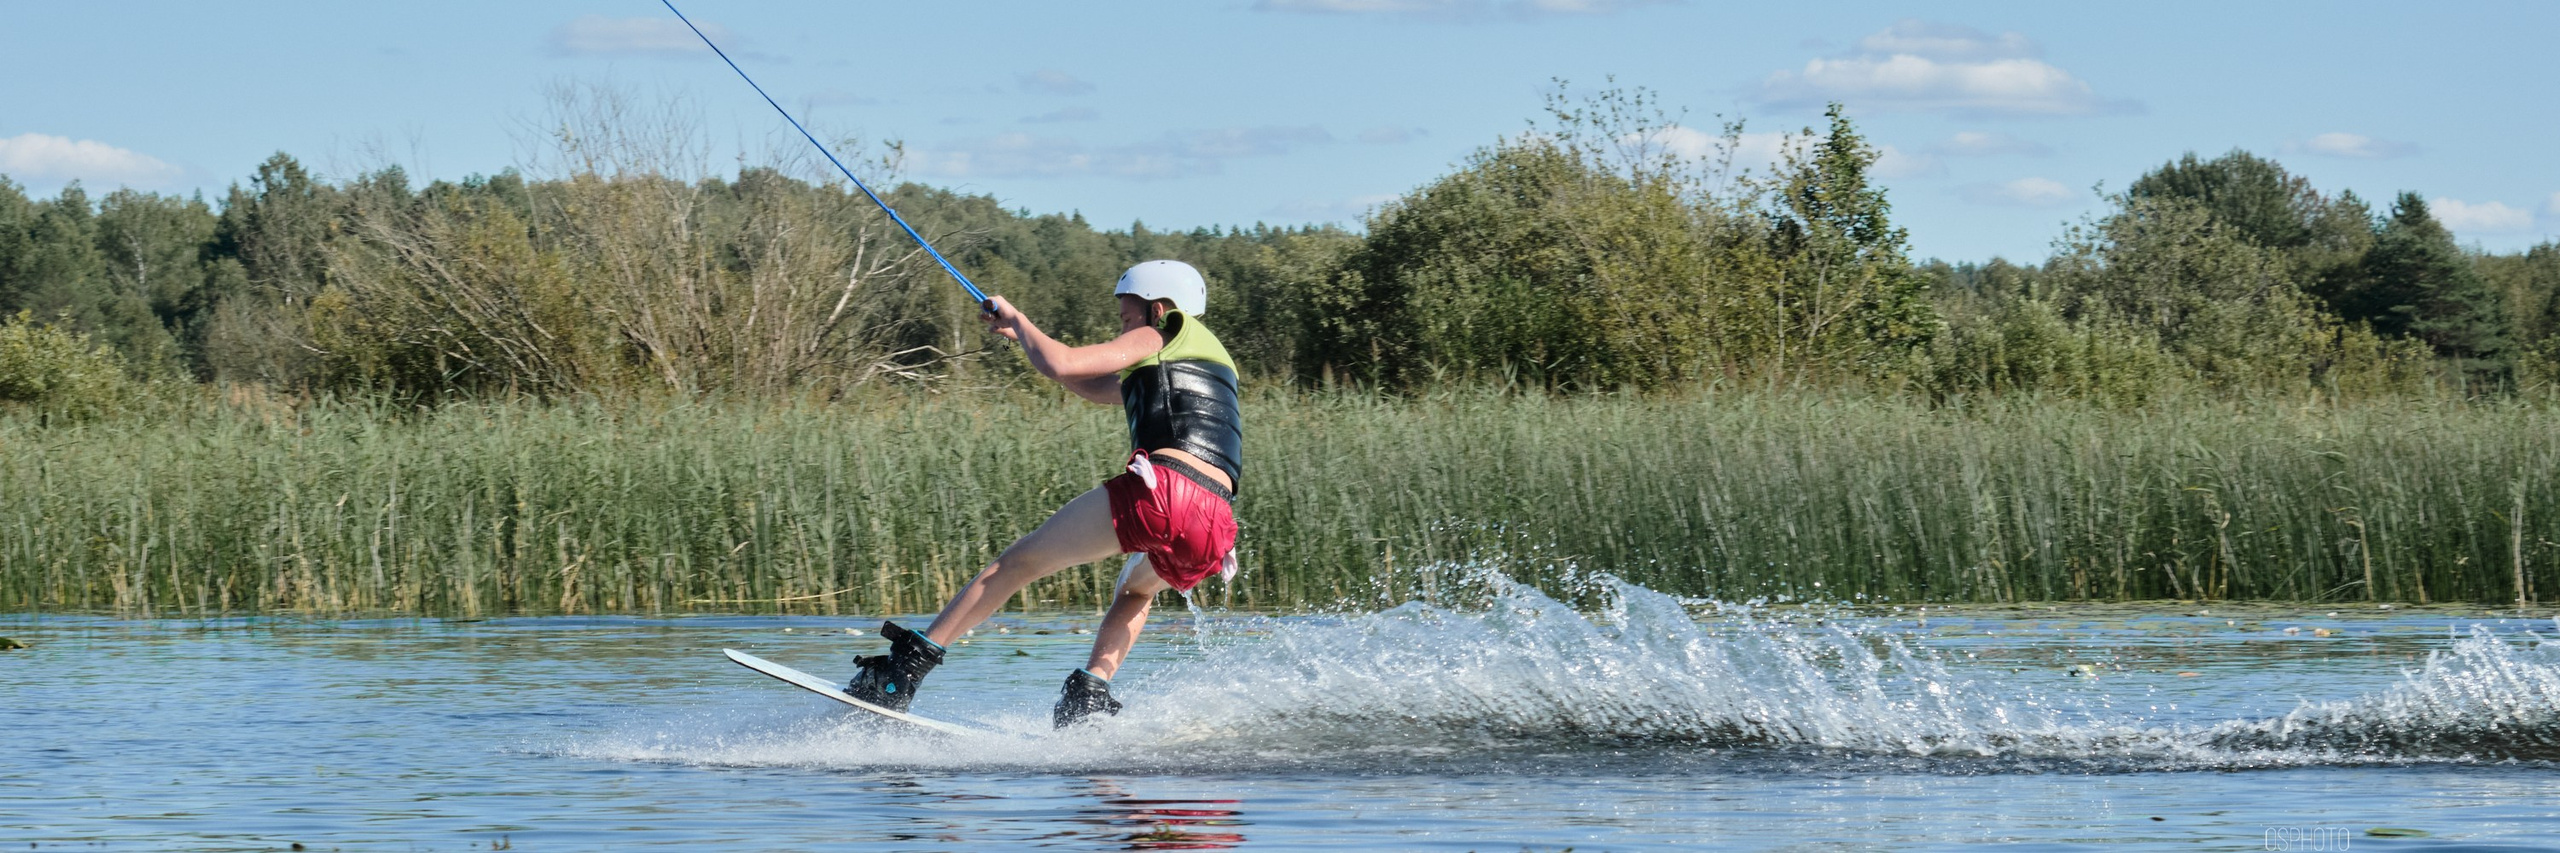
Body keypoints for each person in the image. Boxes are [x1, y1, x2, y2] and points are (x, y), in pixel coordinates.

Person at [845, 260, 1243, 728]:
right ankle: (1089, 693)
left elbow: (1062, 361)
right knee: (1136, 590)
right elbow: (1090, 385)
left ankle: (903, 672)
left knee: (1017, 563)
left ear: (1158, 309)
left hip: (1167, 491)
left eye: (1126, 318)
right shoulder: (1208, 361)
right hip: (1215, 522)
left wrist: (1019, 319)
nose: (1124, 329)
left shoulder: (1161, 333)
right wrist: (1025, 339)